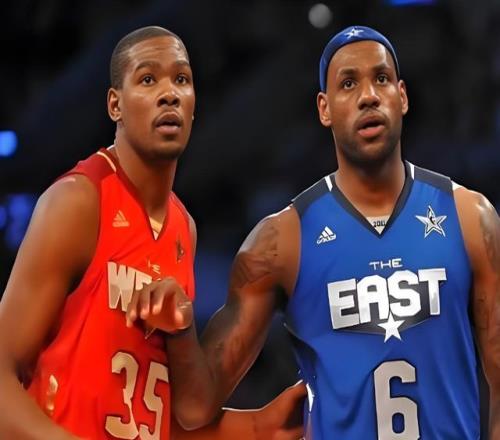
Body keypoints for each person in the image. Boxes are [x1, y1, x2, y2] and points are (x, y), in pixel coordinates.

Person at [127, 25, 500, 439]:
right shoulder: (281, 242)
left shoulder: (470, 217)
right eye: (348, 84)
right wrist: (180, 333)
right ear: (324, 109)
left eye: (381, 79)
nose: (368, 96)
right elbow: (195, 408)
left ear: (402, 96)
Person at [0, 26, 305, 439]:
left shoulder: (183, 227)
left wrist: (257, 425)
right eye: (148, 79)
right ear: (115, 105)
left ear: (193, 106)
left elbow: (147, 415)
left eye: (181, 79)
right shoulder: (79, 201)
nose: (169, 94)